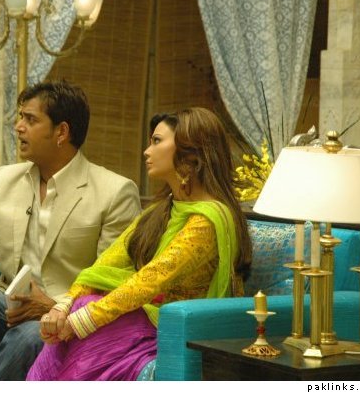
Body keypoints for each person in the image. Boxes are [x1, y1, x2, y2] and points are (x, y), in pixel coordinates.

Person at [0, 80, 141, 380]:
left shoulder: (114, 192)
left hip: (66, 317)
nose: (18, 127)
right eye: (20, 117)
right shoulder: (6, 180)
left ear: (61, 132)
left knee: (30, 336)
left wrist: (54, 307)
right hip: (9, 306)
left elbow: (113, 284)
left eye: (30, 119)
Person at [27, 107, 252, 381]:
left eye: (157, 141)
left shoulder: (207, 220)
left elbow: (150, 280)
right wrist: (63, 306)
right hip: (140, 317)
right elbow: (105, 264)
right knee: (82, 302)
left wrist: (79, 321)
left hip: (172, 329)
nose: (146, 151)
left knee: (85, 311)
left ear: (190, 153)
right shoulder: (160, 211)